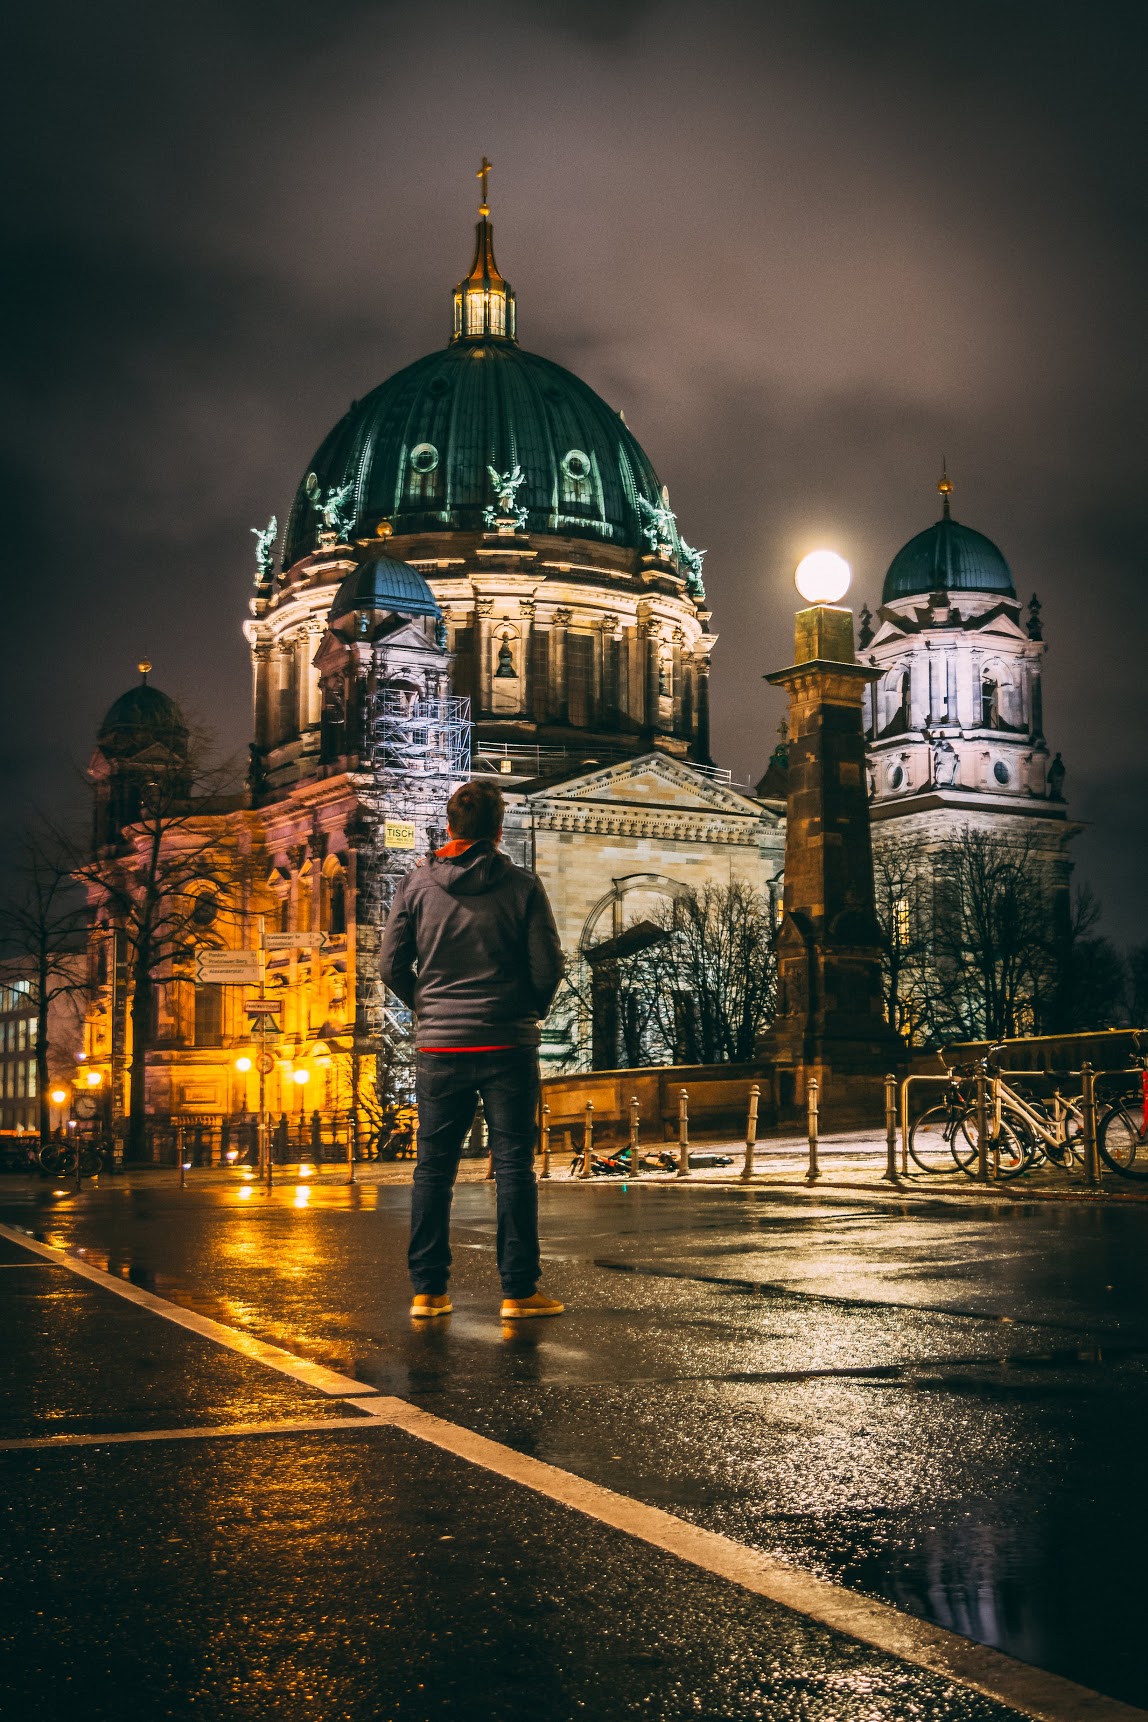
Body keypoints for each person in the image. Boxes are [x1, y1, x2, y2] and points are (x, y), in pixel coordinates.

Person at [379, 779, 566, 1320]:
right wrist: (525, 1010)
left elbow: (391, 965)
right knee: (513, 1167)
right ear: (498, 830)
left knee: (433, 1170)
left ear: (448, 827)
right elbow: (547, 965)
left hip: (440, 1046)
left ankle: (429, 1291)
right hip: (508, 1042)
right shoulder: (522, 885)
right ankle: (518, 1292)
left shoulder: (415, 885)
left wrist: (429, 1007)